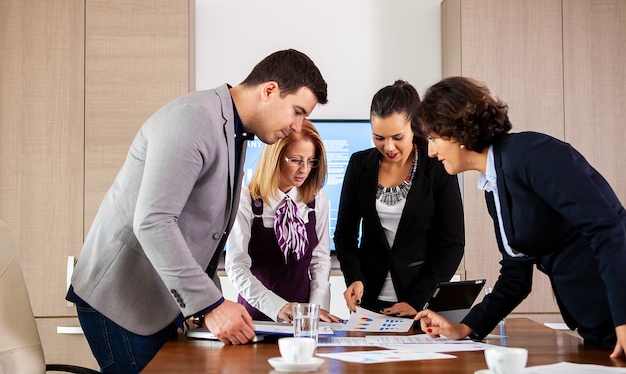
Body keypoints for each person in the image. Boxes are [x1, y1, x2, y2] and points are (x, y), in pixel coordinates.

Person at [65, 49, 328, 373]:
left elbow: (204, 234)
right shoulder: (193, 118)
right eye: (297, 112)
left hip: (164, 298)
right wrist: (212, 305)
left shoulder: (235, 131)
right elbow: (153, 221)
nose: (297, 125)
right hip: (123, 297)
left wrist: (210, 306)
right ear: (269, 90)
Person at [414, 76, 626, 359]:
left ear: (457, 129)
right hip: (598, 326)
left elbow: (607, 228)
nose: (431, 150)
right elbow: (516, 275)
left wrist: (623, 317)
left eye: (433, 138)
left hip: (618, 315)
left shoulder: (530, 154)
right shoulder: (494, 183)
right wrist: (465, 327)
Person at [333, 80, 465, 318]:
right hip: (368, 301)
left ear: (415, 127)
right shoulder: (359, 165)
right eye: (379, 138)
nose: (388, 146)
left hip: (419, 303)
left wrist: (419, 299)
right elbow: (344, 234)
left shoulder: (437, 167)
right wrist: (353, 277)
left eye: (397, 137)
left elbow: (452, 245)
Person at [225, 119, 343, 324]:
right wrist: (278, 307)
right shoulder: (247, 200)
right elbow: (236, 267)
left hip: (304, 319)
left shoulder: (318, 198)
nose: (304, 170)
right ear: (276, 157)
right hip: (256, 317)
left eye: (310, 161)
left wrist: (315, 312)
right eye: (296, 160)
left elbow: (320, 261)